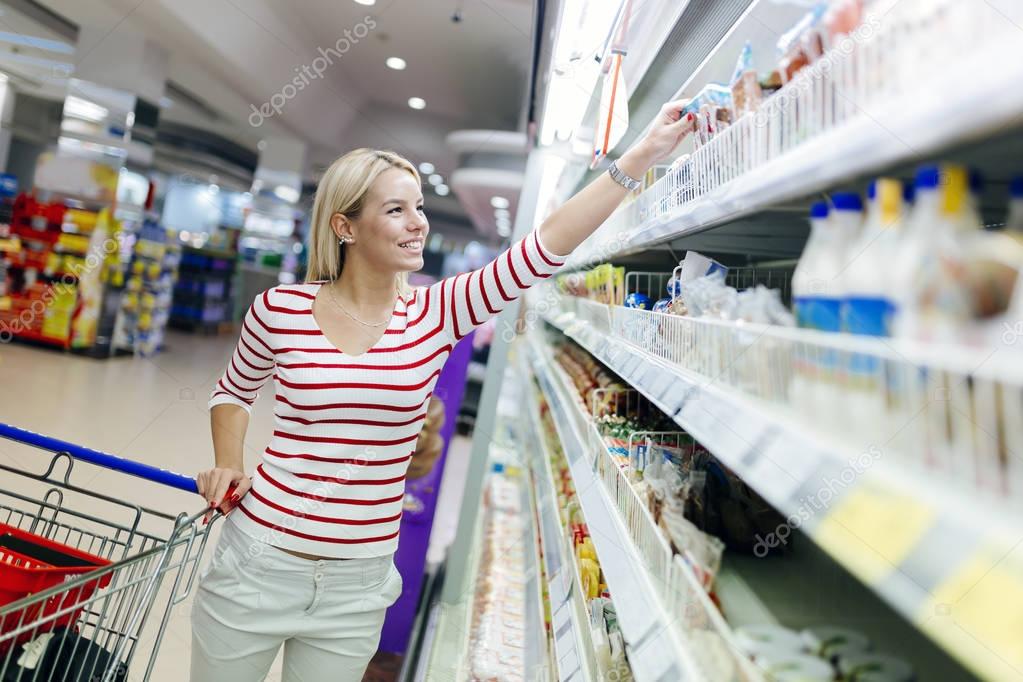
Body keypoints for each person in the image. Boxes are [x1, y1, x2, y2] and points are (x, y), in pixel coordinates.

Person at [190, 100, 693, 681]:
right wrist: (228, 464)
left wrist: (643, 154)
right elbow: (233, 391)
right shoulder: (281, 309)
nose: (418, 222)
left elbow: (544, 246)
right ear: (345, 226)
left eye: (420, 208)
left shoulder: (435, 313)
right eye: (396, 209)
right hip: (258, 561)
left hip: (357, 584)